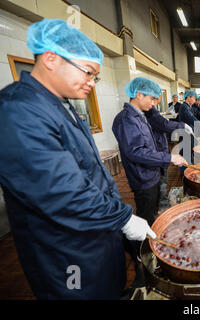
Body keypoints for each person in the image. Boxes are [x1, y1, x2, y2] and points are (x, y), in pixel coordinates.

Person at [0, 19, 155, 299]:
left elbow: (89, 170)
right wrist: (123, 218)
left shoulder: (61, 105)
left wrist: (116, 213)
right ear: (51, 58)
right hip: (66, 251)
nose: (92, 84)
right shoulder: (18, 112)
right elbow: (61, 193)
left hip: (94, 236)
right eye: (88, 72)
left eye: (95, 77)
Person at [112, 77, 187, 226]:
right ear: (139, 94)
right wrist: (169, 157)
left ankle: (151, 236)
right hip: (142, 178)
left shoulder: (140, 116)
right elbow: (136, 152)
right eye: (151, 99)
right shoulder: (126, 119)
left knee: (152, 210)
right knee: (145, 216)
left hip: (151, 173)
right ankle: (144, 248)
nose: (153, 104)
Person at [144, 96, 192, 212]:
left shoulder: (146, 110)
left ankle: (159, 203)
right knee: (161, 179)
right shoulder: (149, 110)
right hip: (157, 151)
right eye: (156, 98)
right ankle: (163, 207)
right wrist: (182, 125)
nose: (156, 102)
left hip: (157, 149)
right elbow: (164, 124)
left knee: (159, 179)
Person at [178, 90, 200, 165]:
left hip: (189, 133)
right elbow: (191, 118)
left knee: (189, 152)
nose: (195, 100)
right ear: (188, 97)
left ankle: (188, 166)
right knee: (186, 153)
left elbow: (194, 118)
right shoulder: (184, 107)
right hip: (185, 134)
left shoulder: (188, 107)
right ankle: (185, 171)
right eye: (194, 98)